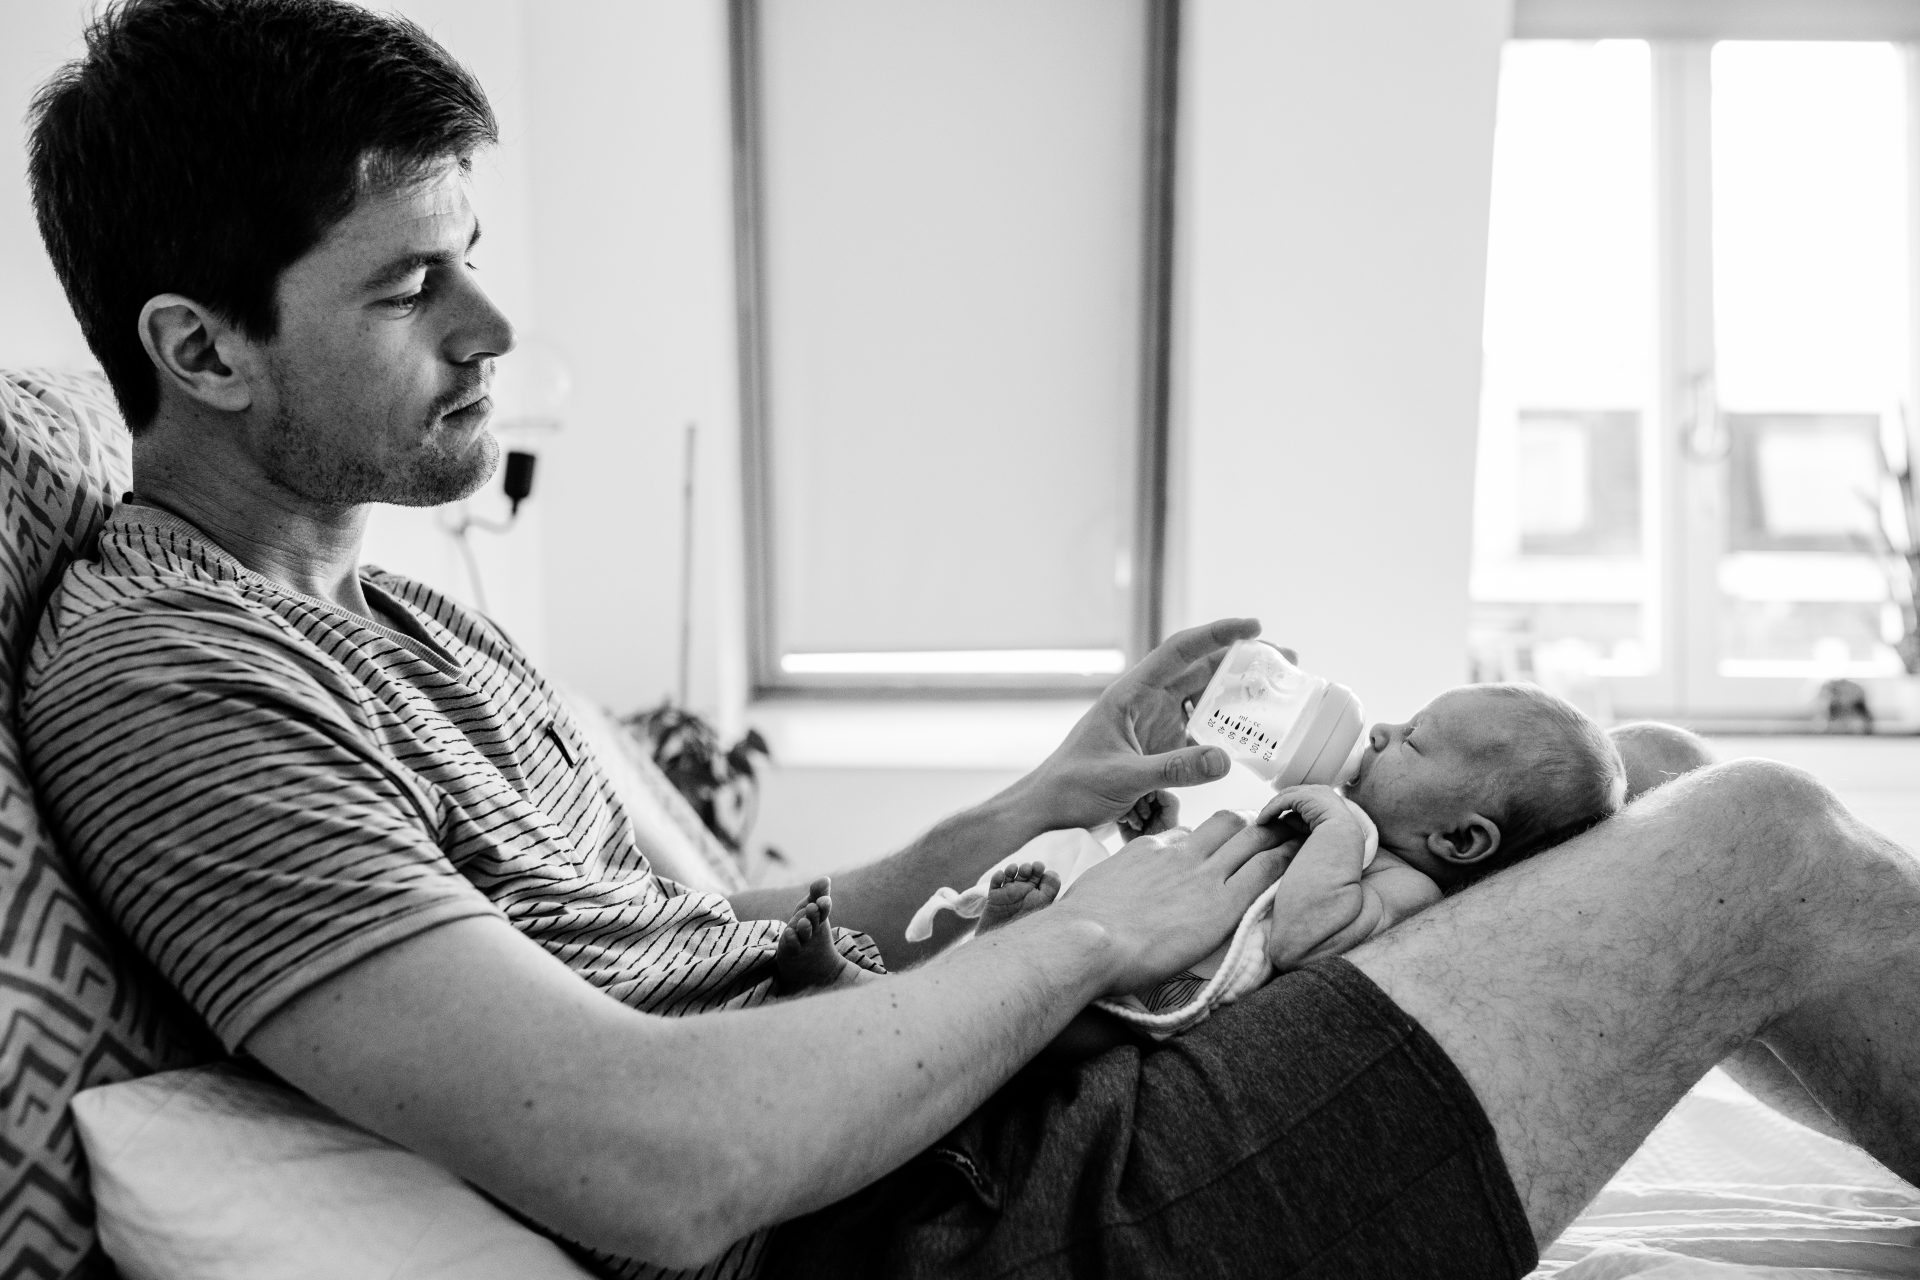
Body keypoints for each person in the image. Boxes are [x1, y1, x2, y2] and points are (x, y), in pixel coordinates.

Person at [21, 4, 1920, 1278]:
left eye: (478, 251)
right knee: (1758, 846)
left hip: (976, 1125)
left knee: (1639, 776)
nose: (495, 331)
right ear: (201, 348)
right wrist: (1103, 922)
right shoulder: (176, 681)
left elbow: (743, 941)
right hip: (952, 1228)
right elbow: (653, 1168)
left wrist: (1055, 789)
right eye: (414, 285)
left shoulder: (403, 608)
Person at [798, 681, 1626, 1018]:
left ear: (1460, 839)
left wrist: (1338, 827)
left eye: (1413, 741)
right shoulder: (1366, 838)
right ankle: (873, 985)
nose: (1380, 729)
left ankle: (854, 991)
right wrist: (1149, 834)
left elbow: (1307, 933)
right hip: (1160, 938)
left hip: (1165, 1000)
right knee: (1042, 946)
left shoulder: (1408, 889)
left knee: (1045, 1027)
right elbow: (1207, 879)